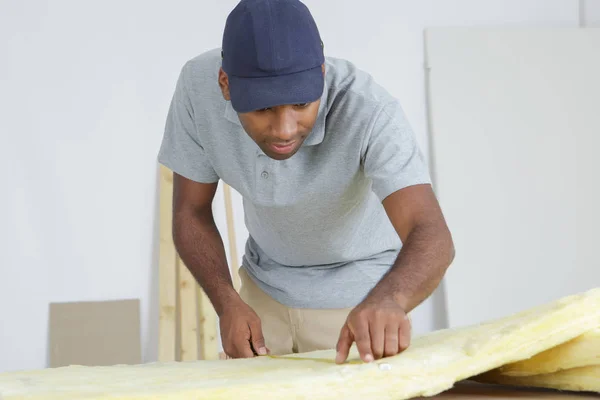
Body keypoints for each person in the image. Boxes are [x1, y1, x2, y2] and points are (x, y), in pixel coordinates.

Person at [157, 0, 454, 365]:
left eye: (301, 103)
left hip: (358, 307)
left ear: (322, 75)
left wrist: (389, 299)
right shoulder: (196, 89)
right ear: (225, 85)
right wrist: (227, 302)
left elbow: (431, 233)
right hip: (260, 295)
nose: (284, 130)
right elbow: (191, 211)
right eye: (263, 108)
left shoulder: (369, 110)